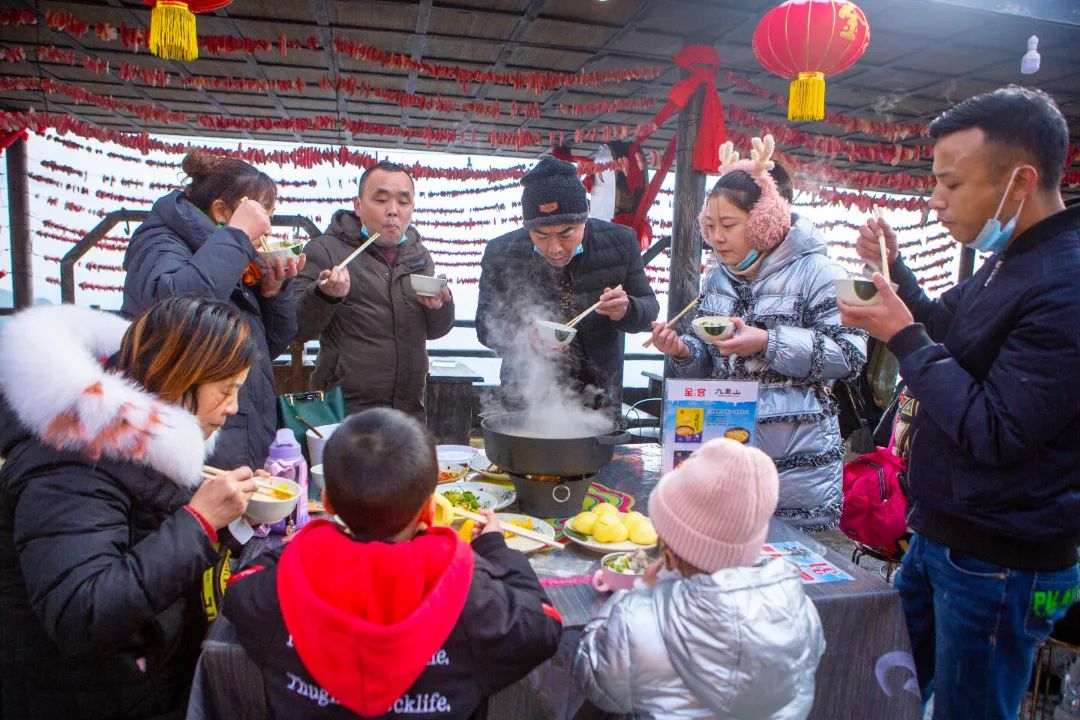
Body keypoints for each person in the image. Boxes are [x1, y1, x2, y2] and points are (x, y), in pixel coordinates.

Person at [838, 86, 1080, 719]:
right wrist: (900, 282)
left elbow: (996, 429)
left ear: (1019, 181)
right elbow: (948, 326)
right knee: (895, 692)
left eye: (951, 183)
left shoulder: (1066, 281)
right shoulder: (1011, 261)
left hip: (1002, 563)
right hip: (942, 537)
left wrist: (903, 336)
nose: (934, 199)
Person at [0, 297, 259, 720]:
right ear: (180, 377)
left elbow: (143, 533)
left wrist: (227, 523)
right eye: (225, 390)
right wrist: (200, 523)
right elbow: (80, 611)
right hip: (79, 695)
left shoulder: (137, 443)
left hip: (136, 683)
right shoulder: (71, 463)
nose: (233, 407)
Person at [220, 407, 563, 718]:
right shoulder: (464, 585)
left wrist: (303, 544)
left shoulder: (287, 582)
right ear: (431, 508)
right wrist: (494, 547)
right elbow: (543, 623)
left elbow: (240, 588)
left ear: (326, 502)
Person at [649, 136, 867, 530]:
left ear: (767, 221)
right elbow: (713, 358)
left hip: (793, 462)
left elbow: (850, 356)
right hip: (726, 447)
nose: (716, 238)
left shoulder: (823, 274)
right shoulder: (717, 279)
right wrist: (683, 351)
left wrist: (768, 342)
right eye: (710, 226)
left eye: (728, 225)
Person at [572, 438, 825, 718]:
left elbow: (595, 683)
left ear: (668, 550)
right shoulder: (801, 609)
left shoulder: (637, 619)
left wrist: (634, 593)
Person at [123, 150, 300, 469]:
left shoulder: (231, 255)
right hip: (192, 434)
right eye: (260, 214)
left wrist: (274, 293)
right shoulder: (162, 240)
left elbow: (266, 348)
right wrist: (237, 236)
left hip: (241, 426)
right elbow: (173, 310)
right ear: (221, 211)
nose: (267, 229)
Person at [476, 155, 659, 413]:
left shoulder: (621, 242)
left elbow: (649, 309)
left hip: (599, 397)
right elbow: (485, 325)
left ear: (584, 219)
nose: (555, 248)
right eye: (541, 235)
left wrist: (627, 309)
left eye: (566, 234)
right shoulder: (501, 252)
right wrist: (525, 338)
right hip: (525, 394)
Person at [293, 162, 454, 421]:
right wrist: (325, 296)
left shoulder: (418, 255)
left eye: (403, 202)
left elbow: (436, 331)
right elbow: (298, 328)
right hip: (345, 412)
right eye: (380, 200)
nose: (393, 211)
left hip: (409, 409)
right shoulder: (325, 251)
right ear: (358, 206)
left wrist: (440, 305)